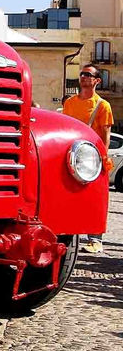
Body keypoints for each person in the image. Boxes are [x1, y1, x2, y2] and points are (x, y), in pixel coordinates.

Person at [63, 64, 113, 253]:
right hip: (72, 155)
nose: (83, 77)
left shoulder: (103, 105)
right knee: (69, 196)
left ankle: (95, 240)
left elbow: (106, 136)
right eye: (82, 74)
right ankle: (68, 234)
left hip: (92, 159)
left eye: (88, 74)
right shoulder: (70, 103)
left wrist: (101, 159)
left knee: (94, 199)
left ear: (97, 81)